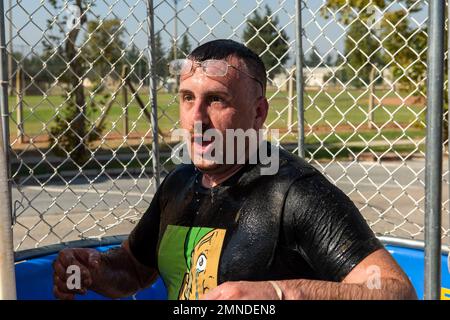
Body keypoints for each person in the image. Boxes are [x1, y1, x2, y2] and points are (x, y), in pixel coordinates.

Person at [53, 39, 417, 300]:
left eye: (216, 100)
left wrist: (277, 293)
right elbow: (134, 269)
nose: (196, 119)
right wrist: (96, 270)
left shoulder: (295, 192)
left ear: (258, 113)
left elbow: (395, 290)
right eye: (187, 98)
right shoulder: (179, 183)